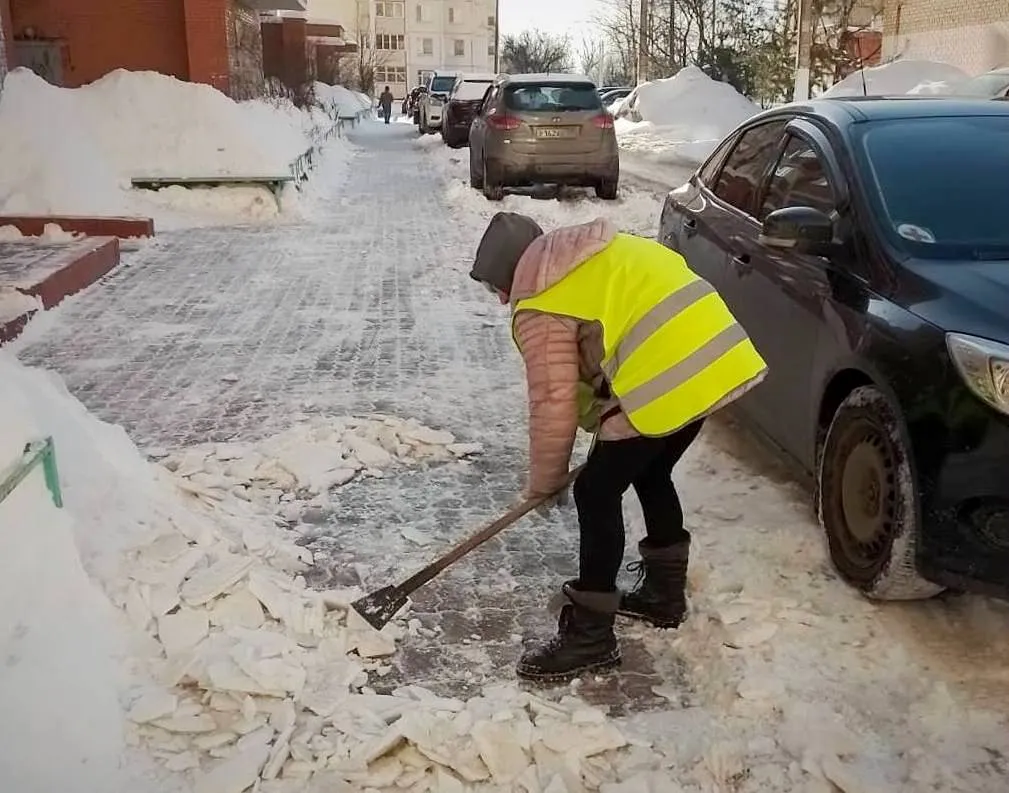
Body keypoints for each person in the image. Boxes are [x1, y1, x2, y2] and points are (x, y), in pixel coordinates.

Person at [469, 213, 768, 681]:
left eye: (497, 286)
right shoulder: (592, 256)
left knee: (595, 491)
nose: (503, 298)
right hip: (715, 358)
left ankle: (591, 637)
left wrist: (544, 484)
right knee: (650, 471)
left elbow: (553, 402)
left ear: (512, 272)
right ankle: (664, 596)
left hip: (670, 369)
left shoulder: (544, 303)